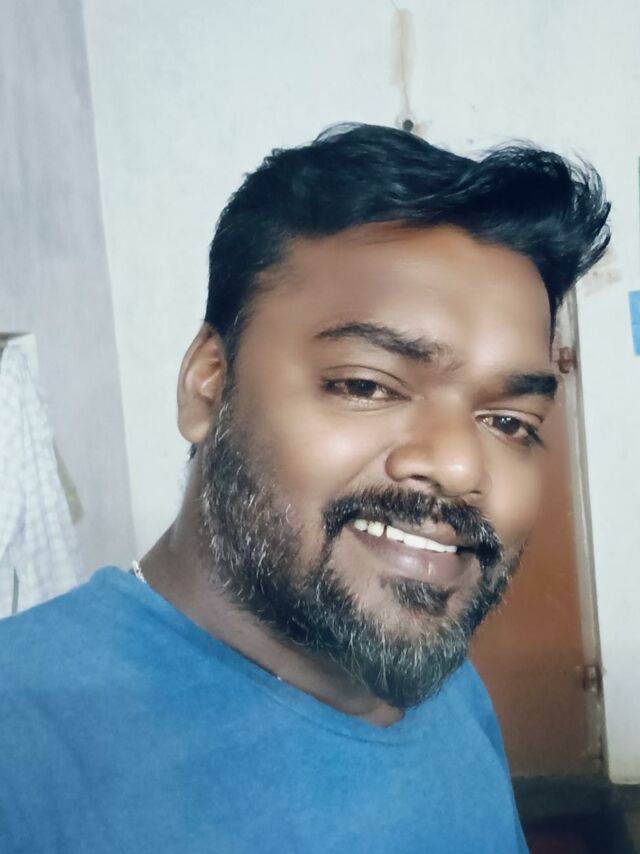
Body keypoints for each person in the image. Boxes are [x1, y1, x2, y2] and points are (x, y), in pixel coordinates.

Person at [0, 123, 610, 853]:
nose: (460, 467)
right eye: (366, 385)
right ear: (207, 385)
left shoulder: (440, 683)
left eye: (509, 422)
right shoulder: (24, 741)